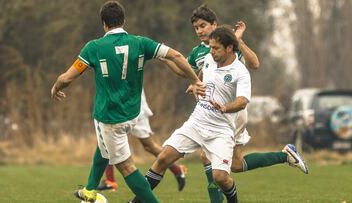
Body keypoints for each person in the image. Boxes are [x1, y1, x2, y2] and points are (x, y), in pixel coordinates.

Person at [50, 1, 205, 203]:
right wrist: (195, 79)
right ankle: (89, 191)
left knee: (127, 167)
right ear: (123, 21)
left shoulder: (94, 47)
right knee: (103, 148)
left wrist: (56, 87)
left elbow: (67, 78)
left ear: (104, 24)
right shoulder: (141, 42)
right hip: (132, 113)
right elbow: (175, 55)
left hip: (110, 116)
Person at [160, 5, 308, 203]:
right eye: (196, 28)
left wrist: (239, 41)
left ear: (215, 24)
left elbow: (254, 64)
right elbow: (186, 71)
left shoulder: (228, 43)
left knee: (206, 157)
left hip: (233, 111)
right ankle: (285, 155)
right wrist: (162, 56)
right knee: (236, 165)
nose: (200, 31)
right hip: (213, 111)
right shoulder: (198, 52)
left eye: (203, 26)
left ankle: (217, 201)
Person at [132, 26, 251, 203]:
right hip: (196, 122)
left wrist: (225, 108)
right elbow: (201, 74)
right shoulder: (209, 59)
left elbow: (242, 101)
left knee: (220, 177)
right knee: (163, 158)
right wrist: (195, 84)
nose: (211, 51)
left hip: (221, 130)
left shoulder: (240, 71)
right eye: (210, 47)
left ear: (229, 48)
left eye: (216, 48)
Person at [97, 89, 186, 192]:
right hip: (118, 104)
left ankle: (177, 169)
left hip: (134, 105)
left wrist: (194, 80)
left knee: (149, 146)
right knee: (107, 140)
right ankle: (110, 181)